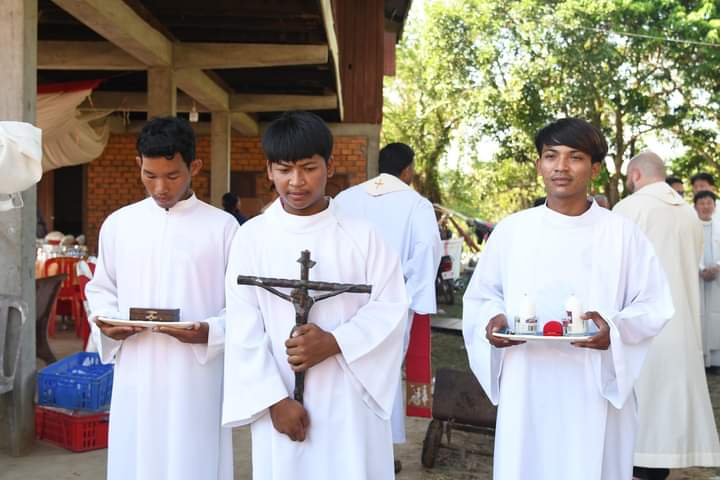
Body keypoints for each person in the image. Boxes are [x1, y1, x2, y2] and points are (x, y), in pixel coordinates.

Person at [463, 118, 673, 480]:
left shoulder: (621, 234)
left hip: (591, 383)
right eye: (551, 156)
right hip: (526, 379)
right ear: (539, 165)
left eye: (574, 157)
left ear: (593, 168)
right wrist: (493, 318)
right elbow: (483, 295)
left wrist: (615, 330)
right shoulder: (513, 231)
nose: (560, 167)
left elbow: (654, 305)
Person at [222, 111, 408, 480]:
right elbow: (243, 327)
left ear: (329, 166)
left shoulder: (363, 235)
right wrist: (273, 400)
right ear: (269, 170)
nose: (296, 182)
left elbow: (391, 306)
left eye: (308, 168)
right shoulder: (252, 237)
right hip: (282, 397)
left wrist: (335, 342)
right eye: (285, 169)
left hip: (349, 399)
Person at [86, 117, 238, 480]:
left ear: (194, 167)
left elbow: (242, 304)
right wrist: (109, 323)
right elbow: (101, 288)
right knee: (137, 457)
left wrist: (211, 331)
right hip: (138, 369)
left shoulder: (222, 228)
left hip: (196, 374)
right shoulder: (120, 224)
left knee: (193, 459)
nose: (160, 187)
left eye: (171, 176)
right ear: (139, 164)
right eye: (149, 175)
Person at [334, 142, 441, 472]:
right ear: (407, 170)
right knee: (385, 370)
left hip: (340, 298)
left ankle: (340, 443)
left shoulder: (345, 198)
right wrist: (407, 295)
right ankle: (380, 450)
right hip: (390, 304)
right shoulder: (416, 205)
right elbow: (426, 252)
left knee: (340, 365)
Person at [614, 151, 720, 480]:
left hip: (641, 326)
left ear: (634, 175)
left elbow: (613, 271)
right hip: (683, 325)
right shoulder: (689, 213)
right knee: (664, 414)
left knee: (638, 414)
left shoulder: (629, 209)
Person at [695, 190, 720, 368]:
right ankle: (701, 361)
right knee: (700, 316)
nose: (705, 206)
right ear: (695, 206)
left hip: (718, 277)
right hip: (697, 278)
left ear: (714, 205)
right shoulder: (690, 226)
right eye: (702, 203)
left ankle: (717, 360)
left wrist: (717, 266)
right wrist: (701, 269)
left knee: (716, 317)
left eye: (709, 203)